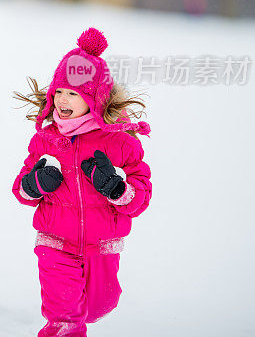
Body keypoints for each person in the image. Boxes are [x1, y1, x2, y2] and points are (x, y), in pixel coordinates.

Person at [11, 28, 152, 337]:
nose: (63, 99)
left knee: (100, 305)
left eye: (74, 93)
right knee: (65, 316)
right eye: (60, 91)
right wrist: (35, 184)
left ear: (94, 98)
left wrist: (118, 189)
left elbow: (141, 192)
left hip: (102, 244)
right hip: (55, 243)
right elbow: (21, 188)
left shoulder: (118, 142)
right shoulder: (46, 139)